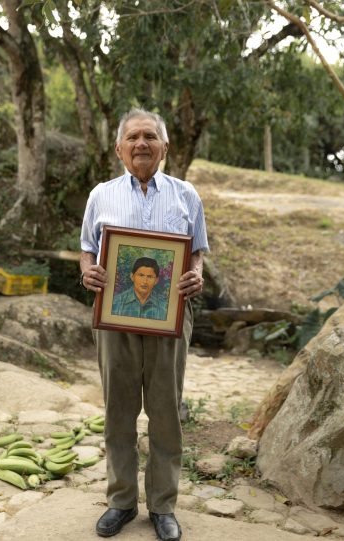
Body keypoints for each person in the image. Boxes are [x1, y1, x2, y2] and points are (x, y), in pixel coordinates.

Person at [80, 108, 209, 541]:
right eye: (132, 137)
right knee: (118, 407)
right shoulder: (101, 195)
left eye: (150, 136)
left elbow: (195, 252)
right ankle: (120, 501)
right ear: (118, 148)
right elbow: (87, 250)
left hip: (170, 317)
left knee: (165, 409)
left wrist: (196, 274)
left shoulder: (186, 194)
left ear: (165, 147)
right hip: (113, 319)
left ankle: (162, 506)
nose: (141, 143)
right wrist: (87, 272)